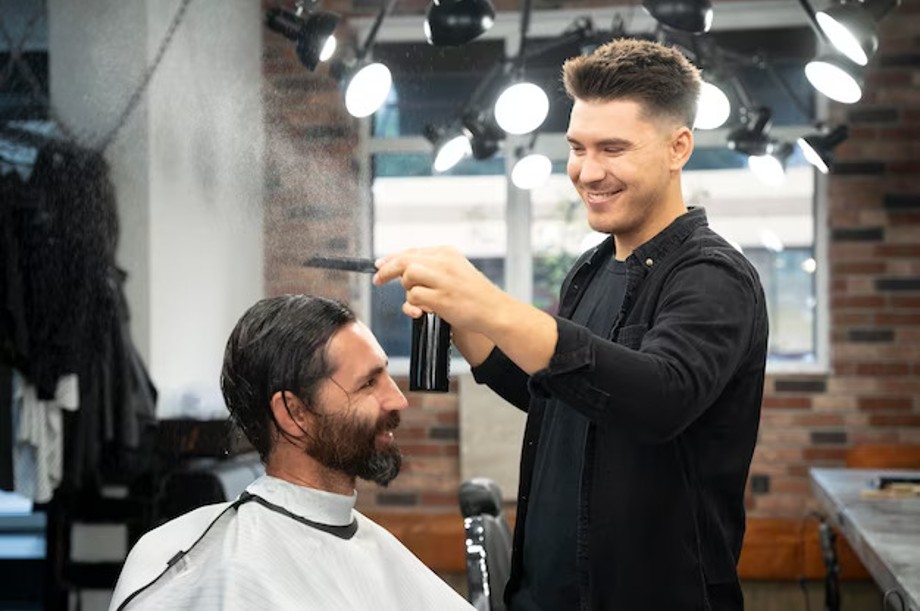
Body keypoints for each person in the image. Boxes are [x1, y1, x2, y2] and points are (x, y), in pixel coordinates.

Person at [374, 38, 769, 610]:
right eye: (577, 148)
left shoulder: (713, 276)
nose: (588, 171)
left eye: (613, 148)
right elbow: (558, 394)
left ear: (677, 147)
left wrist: (490, 304)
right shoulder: (592, 269)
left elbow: (659, 397)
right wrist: (462, 316)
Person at [109, 295, 475, 611]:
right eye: (368, 383)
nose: (398, 399)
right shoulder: (204, 562)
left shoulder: (367, 541)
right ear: (294, 413)